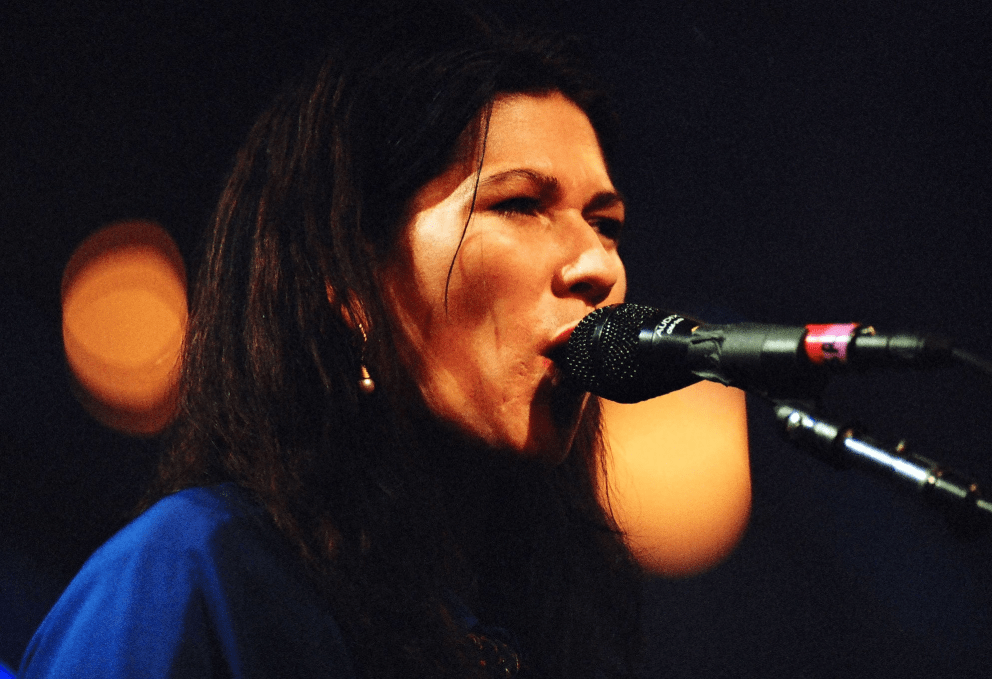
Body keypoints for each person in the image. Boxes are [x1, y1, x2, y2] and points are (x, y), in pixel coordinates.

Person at [19, 5, 642, 678]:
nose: (597, 265)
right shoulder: (185, 575)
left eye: (604, 223)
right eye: (518, 204)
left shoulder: (545, 616)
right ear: (348, 283)